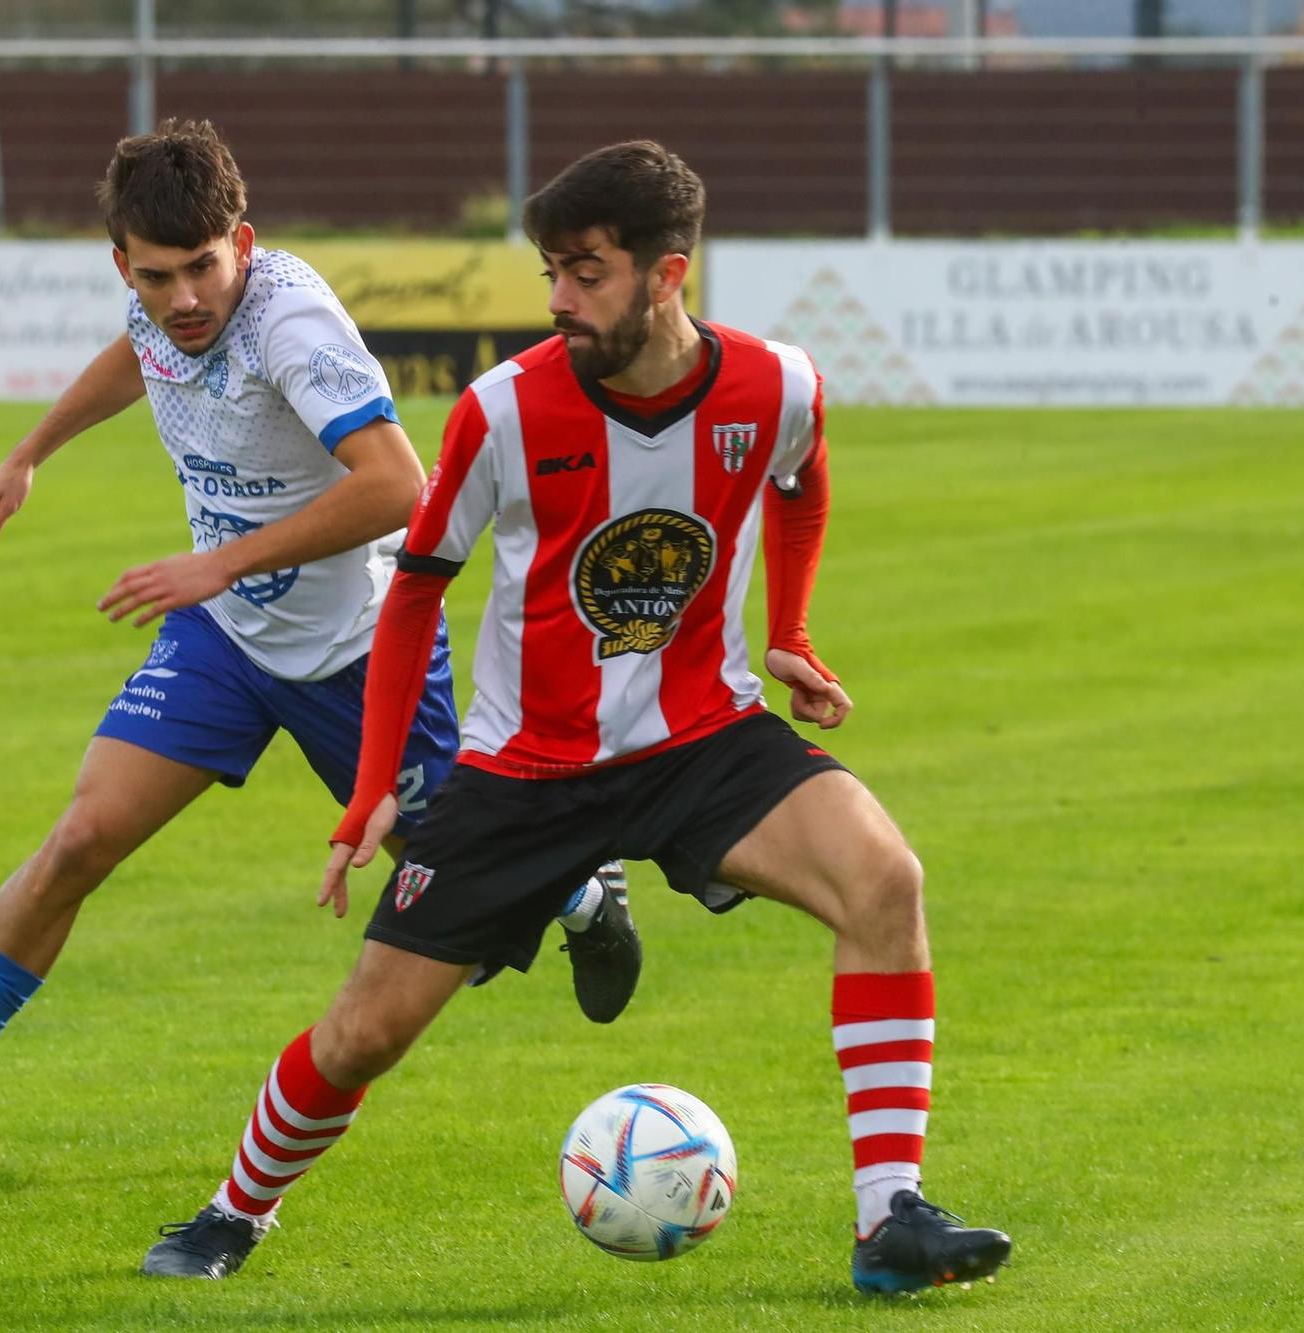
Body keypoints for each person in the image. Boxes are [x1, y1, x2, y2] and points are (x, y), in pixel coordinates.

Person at [140, 141, 1014, 1296]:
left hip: (705, 739)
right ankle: (232, 1210)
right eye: (550, 269)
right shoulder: (503, 409)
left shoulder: (776, 384)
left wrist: (789, 631)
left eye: (585, 272)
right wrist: (365, 796)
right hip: (525, 770)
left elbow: (800, 483)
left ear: (667, 275)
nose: (557, 297)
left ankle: (886, 1217)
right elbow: (414, 586)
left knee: (883, 878)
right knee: (363, 1035)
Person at [0, 121, 642, 1177]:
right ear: (125, 263)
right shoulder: (158, 303)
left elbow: (401, 485)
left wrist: (218, 560)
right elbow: (137, 352)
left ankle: (581, 890)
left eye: (204, 267)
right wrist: (26, 456)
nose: (185, 298)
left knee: (456, 878)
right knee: (78, 841)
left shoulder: (288, 325)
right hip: (223, 641)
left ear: (240, 242)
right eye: (157, 276)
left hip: (359, 648)